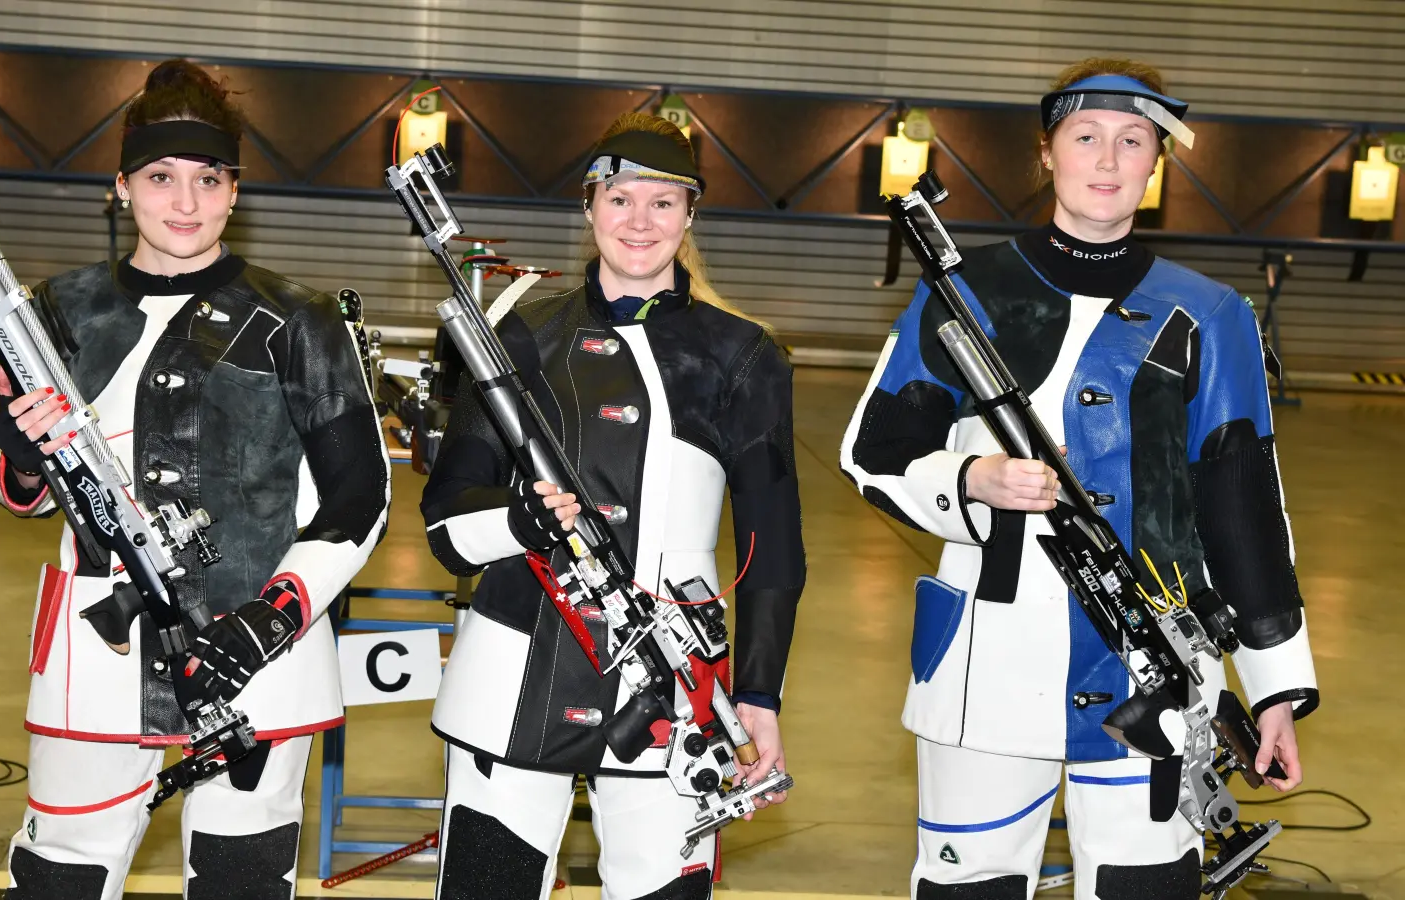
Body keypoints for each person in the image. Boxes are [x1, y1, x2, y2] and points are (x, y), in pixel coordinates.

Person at [840, 58, 1317, 900]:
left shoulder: (1211, 314)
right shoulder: (964, 292)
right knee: (969, 887)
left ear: (1155, 164)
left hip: (1163, 667)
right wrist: (969, 477)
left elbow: (1244, 504)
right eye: (1086, 137)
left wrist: (1274, 684)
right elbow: (871, 454)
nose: (1107, 159)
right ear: (1047, 155)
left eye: (1133, 141)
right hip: (982, 664)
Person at [0, 59, 390, 900]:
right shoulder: (57, 312)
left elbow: (361, 498)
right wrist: (21, 456)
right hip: (98, 648)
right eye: (162, 178)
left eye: (209, 179)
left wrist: (266, 622)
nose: (186, 202)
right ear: (122, 186)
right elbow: (9, 486)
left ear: (235, 192)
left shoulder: (299, 320)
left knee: (241, 879)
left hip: (262, 656)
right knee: (59, 870)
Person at [419, 112, 806, 900]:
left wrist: (760, 694)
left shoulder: (745, 355)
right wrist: (518, 520)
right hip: (512, 677)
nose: (640, 220)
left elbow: (776, 546)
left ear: (691, 216)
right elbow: (446, 522)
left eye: (664, 202)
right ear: (590, 206)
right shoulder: (516, 336)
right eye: (621, 197)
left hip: (676, 683)